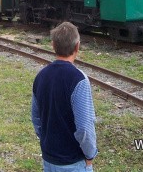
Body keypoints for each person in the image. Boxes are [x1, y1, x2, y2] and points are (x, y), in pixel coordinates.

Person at [32, 22, 97, 171]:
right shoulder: (79, 80)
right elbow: (84, 128)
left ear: (53, 45)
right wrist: (90, 154)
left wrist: (48, 142)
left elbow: (36, 118)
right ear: (77, 47)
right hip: (74, 162)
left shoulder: (40, 76)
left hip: (49, 160)